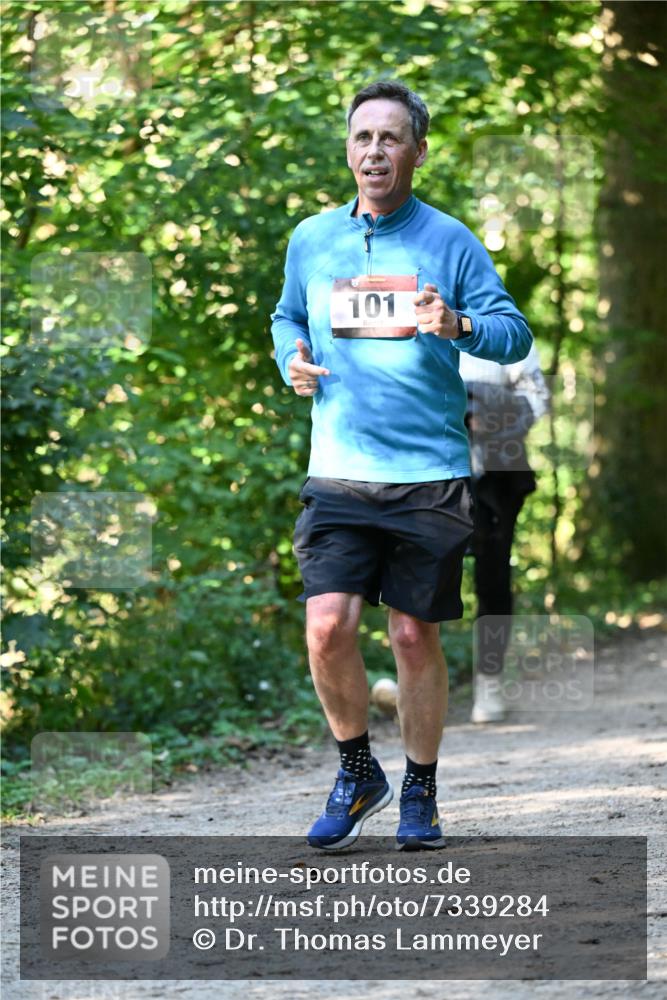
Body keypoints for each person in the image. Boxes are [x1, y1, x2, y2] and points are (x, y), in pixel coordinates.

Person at [271, 80, 533, 851]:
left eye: (390, 138)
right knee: (326, 627)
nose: (374, 151)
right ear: (348, 150)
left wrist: (457, 323)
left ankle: (420, 788)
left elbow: (512, 333)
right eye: (362, 138)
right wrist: (291, 355)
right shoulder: (311, 239)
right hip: (339, 467)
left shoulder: (449, 240)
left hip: (427, 471)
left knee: (413, 635)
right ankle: (358, 772)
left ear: (417, 150)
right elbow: (288, 313)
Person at [460, 346, 550, 723]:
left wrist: (485, 414)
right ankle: (415, 683)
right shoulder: (410, 319)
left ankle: (489, 682)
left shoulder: (508, 333)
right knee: (424, 574)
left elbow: (537, 398)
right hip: (430, 471)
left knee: (493, 579)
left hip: (498, 477)